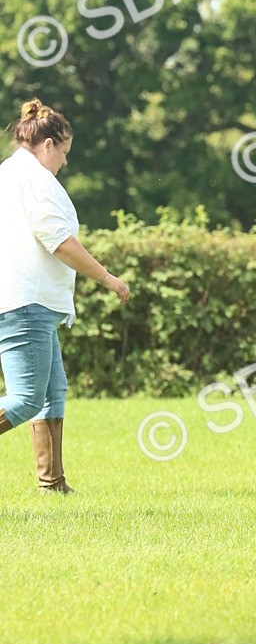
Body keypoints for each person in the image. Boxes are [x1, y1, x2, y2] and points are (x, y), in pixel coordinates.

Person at [0, 98, 130, 492]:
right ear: (47, 145)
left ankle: (53, 483)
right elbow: (58, 241)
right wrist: (107, 277)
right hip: (26, 304)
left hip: (29, 303)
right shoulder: (36, 180)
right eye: (64, 152)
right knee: (25, 399)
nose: (65, 162)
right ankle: (51, 483)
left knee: (51, 392)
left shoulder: (9, 173)